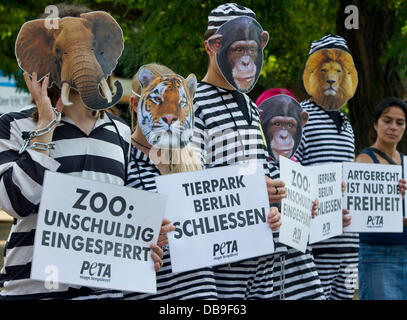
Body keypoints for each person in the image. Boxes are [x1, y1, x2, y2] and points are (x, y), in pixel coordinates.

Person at [0, 4, 165, 299]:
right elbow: (14, 202)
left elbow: (120, 219)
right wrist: (46, 127)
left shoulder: (120, 133)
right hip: (31, 292)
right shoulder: (15, 125)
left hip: (103, 293)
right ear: (46, 58)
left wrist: (143, 242)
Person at [193, 3, 320, 299]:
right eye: (239, 50)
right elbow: (189, 186)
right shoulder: (193, 102)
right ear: (213, 47)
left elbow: (263, 170)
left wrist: (295, 198)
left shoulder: (251, 106)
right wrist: (250, 191)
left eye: (252, 49)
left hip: (262, 250)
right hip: (224, 259)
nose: (248, 60)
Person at [124, 63, 218, 299]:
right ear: (136, 105)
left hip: (202, 293)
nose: (169, 114)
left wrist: (264, 214)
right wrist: (140, 241)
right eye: (157, 101)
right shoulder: (119, 160)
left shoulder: (195, 159)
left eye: (179, 104)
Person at [295, 34, 359, 300]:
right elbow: (293, 173)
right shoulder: (299, 116)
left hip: (349, 244)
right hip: (316, 243)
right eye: (324, 70)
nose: (331, 77)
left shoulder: (348, 125)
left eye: (337, 70)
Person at [257, 89, 325, 300]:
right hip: (267, 270)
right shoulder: (253, 164)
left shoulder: (299, 168)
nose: (284, 134)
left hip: (300, 266)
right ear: (260, 122)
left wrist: (309, 208)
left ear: (301, 123)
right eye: (277, 124)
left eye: (290, 125)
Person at [355, 97, 407, 300]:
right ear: (376, 125)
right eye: (387, 120)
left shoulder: (406, 162)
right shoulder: (364, 160)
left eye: (400, 122)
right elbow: (360, 212)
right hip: (377, 253)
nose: (393, 127)